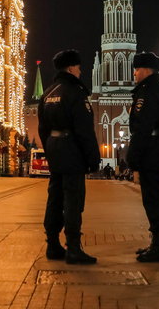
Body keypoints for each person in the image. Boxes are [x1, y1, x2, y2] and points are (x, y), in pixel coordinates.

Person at [38, 49, 101, 264]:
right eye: (79, 67)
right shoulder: (75, 92)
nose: (81, 71)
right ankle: (73, 247)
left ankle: (52, 244)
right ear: (72, 68)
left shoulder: (48, 92)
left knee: (54, 197)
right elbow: (84, 130)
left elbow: (42, 128)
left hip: (55, 149)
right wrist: (93, 159)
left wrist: (50, 150)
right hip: (72, 150)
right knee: (73, 199)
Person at [126, 52, 159, 263]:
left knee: (153, 200)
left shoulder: (147, 92)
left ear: (145, 70)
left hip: (151, 151)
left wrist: (133, 158)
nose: (135, 74)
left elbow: (142, 128)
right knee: (158, 199)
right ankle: (157, 243)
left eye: (137, 70)